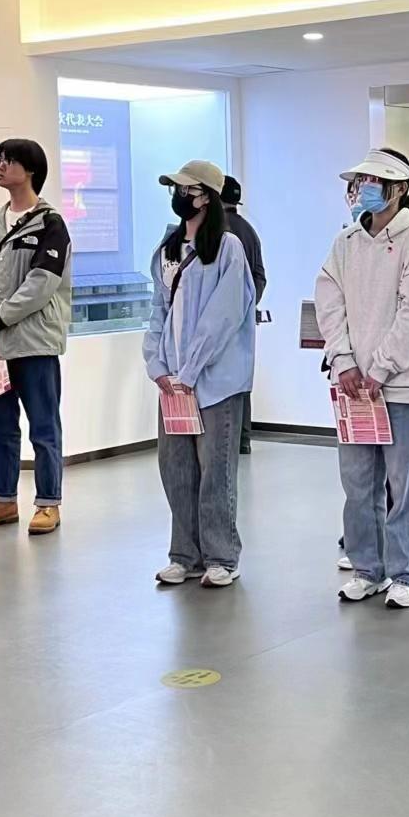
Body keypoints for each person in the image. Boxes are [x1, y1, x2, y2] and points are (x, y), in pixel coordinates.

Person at [314, 147, 409, 608]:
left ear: (400, 188)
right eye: (361, 181)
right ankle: (368, 568)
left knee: (405, 486)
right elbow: (328, 299)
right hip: (353, 388)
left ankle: (407, 573)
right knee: (358, 483)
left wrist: (381, 368)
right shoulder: (346, 240)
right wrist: (344, 361)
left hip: (400, 385)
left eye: (375, 181)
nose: (364, 189)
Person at [144, 160, 256, 587]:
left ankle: (221, 556)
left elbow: (222, 317)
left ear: (206, 196)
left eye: (186, 189)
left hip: (215, 382)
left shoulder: (228, 248)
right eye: (175, 189)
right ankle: (184, 554)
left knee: (216, 471)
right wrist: (158, 366)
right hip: (173, 383)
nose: (179, 196)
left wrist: (190, 370)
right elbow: (158, 310)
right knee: (176, 468)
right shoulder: (168, 249)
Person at [0, 139, 72, 535]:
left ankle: (48, 503)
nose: (1, 166)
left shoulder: (50, 224)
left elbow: (41, 283)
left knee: (43, 427)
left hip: (34, 343)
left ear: (30, 170)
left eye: (9, 161)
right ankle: (2, 500)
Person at [220, 174, 268, 455]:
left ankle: (225, 438)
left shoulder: (218, 232)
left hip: (222, 323)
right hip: (244, 321)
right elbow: (260, 276)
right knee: (242, 378)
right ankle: (243, 438)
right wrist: (249, 305)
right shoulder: (249, 231)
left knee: (220, 382)